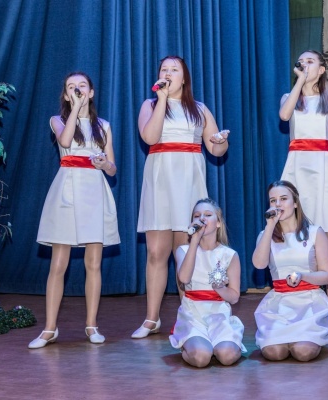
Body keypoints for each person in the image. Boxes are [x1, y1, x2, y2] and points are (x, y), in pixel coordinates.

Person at [133, 56, 229, 339]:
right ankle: (152, 319)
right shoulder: (150, 105)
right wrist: (162, 99)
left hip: (189, 183)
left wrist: (221, 142)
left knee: (185, 252)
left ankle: (190, 316)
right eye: (164, 69)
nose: (168, 73)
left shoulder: (199, 109)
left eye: (174, 70)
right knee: (156, 252)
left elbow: (216, 150)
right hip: (160, 181)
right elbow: (150, 138)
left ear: (184, 78)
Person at [30, 72, 119, 349]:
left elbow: (113, 169)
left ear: (91, 92)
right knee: (58, 265)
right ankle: (50, 328)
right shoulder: (57, 120)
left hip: (94, 191)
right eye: (71, 87)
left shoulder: (103, 126)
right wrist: (76, 110)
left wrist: (104, 164)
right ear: (66, 95)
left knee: (94, 264)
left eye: (82, 86)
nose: (77, 90)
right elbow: (66, 142)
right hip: (67, 190)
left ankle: (91, 325)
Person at [279, 50, 328, 335]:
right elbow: (284, 115)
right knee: (295, 242)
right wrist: (300, 82)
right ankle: (298, 308)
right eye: (301, 61)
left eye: (310, 61)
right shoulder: (290, 97)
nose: (305, 64)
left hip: (323, 172)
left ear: (322, 69)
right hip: (296, 169)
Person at [253, 180, 328, 362]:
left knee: (303, 352)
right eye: (273, 200)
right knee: (274, 353)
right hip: (280, 304)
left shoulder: (315, 233)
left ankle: (310, 335)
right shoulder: (265, 235)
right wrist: (269, 227)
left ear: (295, 203)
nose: (278, 204)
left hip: (309, 302)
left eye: (283, 199)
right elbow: (259, 264)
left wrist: (303, 276)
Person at [169, 198, 246, 367]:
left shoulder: (229, 255)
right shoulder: (183, 251)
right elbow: (184, 279)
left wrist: (220, 288)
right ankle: (189, 344)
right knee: (201, 358)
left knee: (227, 356)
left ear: (218, 223)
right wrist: (194, 241)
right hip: (193, 315)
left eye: (208, 215)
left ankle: (223, 342)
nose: (202, 218)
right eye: (197, 216)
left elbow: (234, 297)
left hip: (218, 314)